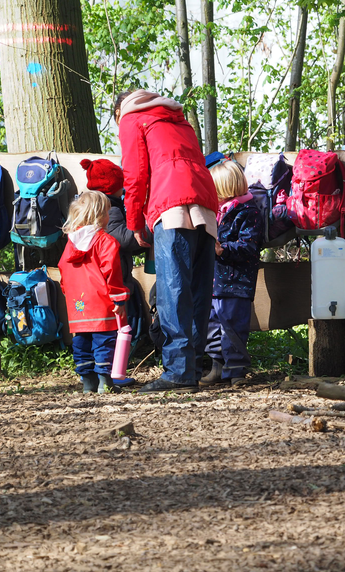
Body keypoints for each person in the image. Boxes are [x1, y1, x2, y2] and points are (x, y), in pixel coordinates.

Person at [115, 89, 218, 394]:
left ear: (118, 110)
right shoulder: (178, 118)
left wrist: (134, 224)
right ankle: (193, 365)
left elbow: (134, 175)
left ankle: (177, 371)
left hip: (171, 205)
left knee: (173, 289)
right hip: (204, 201)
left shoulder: (132, 118)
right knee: (198, 287)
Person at [81, 158, 150, 386]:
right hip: (112, 280)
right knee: (114, 329)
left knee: (100, 331)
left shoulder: (87, 206)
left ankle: (97, 376)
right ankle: (111, 374)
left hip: (92, 283)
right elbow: (124, 239)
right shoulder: (109, 207)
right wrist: (147, 229)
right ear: (113, 186)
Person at [58, 191, 129, 393]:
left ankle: (88, 382)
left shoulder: (71, 243)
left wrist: (68, 293)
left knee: (81, 342)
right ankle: (105, 383)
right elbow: (112, 272)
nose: (109, 216)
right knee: (104, 341)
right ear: (99, 216)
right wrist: (119, 299)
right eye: (108, 212)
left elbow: (63, 268)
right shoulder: (105, 241)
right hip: (102, 303)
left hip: (77, 305)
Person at [200, 159, 263, 387]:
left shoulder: (247, 212)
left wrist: (222, 249)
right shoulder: (216, 211)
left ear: (224, 188)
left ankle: (236, 371)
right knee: (213, 324)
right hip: (215, 281)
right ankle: (217, 367)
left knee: (233, 325)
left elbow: (249, 246)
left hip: (237, 281)